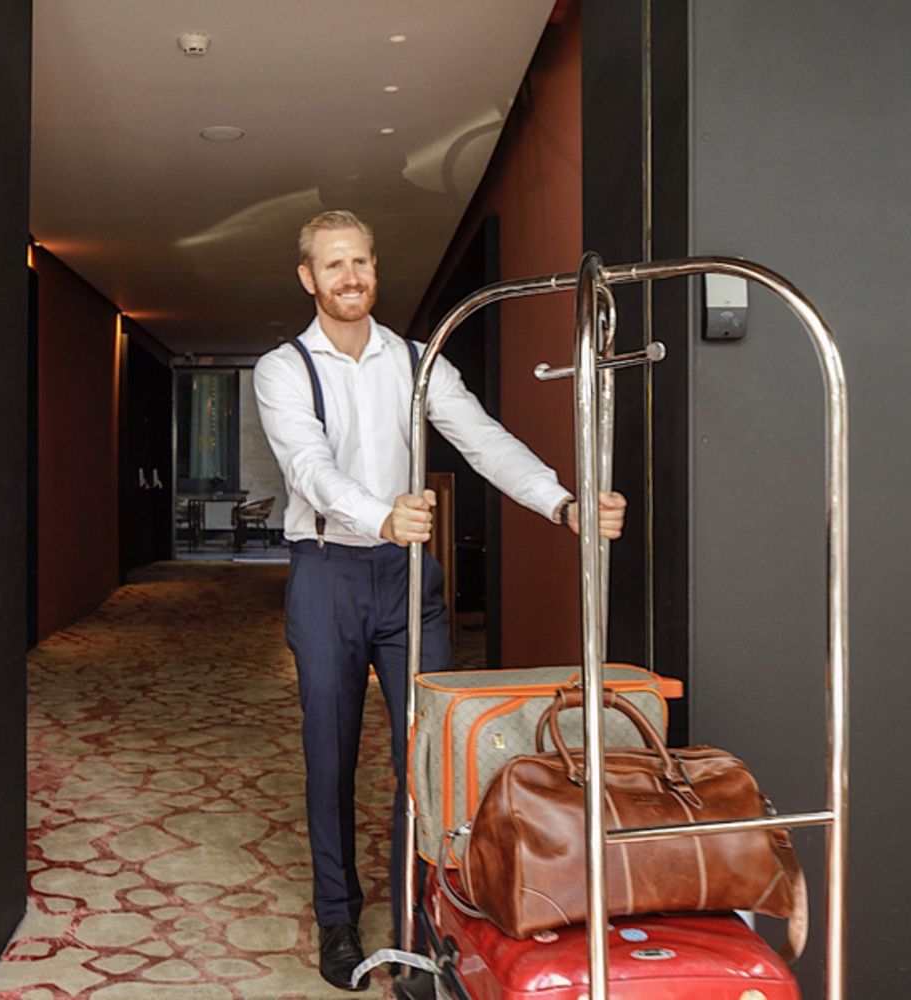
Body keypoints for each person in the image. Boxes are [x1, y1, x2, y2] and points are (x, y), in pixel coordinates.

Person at [254, 210, 626, 991]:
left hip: (406, 581)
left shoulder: (417, 360)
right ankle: (337, 918)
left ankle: (422, 917)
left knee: (428, 759)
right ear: (308, 278)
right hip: (327, 574)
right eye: (334, 264)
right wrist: (380, 514)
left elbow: (483, 440)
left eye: (361, 261)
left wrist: (562, 504)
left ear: (375, 269)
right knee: (330, 756)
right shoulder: (283, 369)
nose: (350, 276)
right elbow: (309, 467)